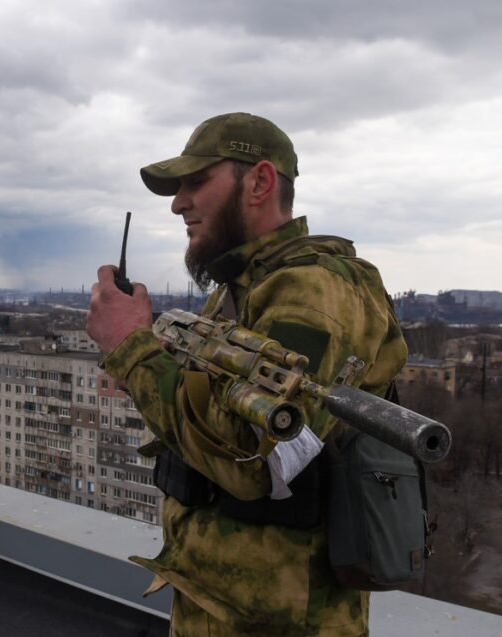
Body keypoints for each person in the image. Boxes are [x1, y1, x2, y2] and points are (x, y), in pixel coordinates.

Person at [86, 113, 407, 636]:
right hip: (218, 606)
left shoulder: (312, 292)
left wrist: (131, 348)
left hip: (281, 622)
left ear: (259, 182)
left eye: (196, 182)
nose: (178, 203)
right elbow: (206, 415)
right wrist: (147, 365)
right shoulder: (240, 291)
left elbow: (254, 460)